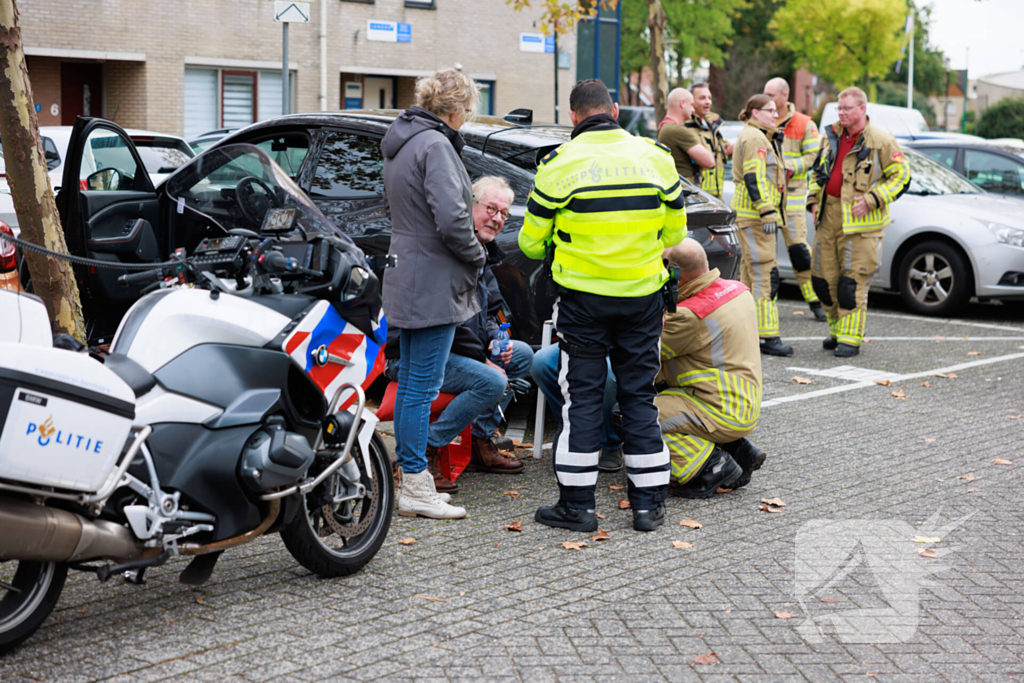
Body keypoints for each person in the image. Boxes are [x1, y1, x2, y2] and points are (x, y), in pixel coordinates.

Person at [519, 79, 686, 533]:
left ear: (573, 117)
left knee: (584, 401)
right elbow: (674, 236)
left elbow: (530, 243)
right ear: (614, 110)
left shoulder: (558, 165)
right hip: (643, 299)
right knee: (640, 398)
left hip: (584, 304)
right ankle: (649, 506)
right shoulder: (656, 157)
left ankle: (578, 507)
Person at [385, 176, 533, 495]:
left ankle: (480, 440)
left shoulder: (482, 253)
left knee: (522, 355)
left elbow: (490, 310)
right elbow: (447, 323)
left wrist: (496, 339)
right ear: (469, 206)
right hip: (413, 354)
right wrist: (483, 358)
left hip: (459, 349)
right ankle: (426, 450)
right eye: (491, 208)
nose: (497, 218)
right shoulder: (452, 250)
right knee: (491, 380)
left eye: (503, 213)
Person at [381, 68, 484, 520]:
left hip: (407, 268)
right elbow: (452, 218)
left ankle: (415, 480)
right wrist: (477, 254)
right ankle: (414, 485)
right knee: (421, 386)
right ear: (458, 109)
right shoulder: (437, 145)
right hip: (433, 279)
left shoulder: (403, 142)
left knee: (414, 386)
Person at [656, 239, 767, 497]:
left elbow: (641, 349)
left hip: (718, 408)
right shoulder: (737, 290)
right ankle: (738, 450)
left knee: (635, 416)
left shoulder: (689, 316)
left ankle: (711, 467)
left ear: (674, 274)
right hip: (740, 401)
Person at [807, 87, 911, 357]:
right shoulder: (830, 136)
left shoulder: (881, 141)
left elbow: (901, 177)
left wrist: (873, 199)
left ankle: (850, 339)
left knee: (851, 284)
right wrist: (814, 199)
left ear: (862, 109)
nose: (841, 113)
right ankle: (836, 331)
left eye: (846, 109)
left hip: (861, 224)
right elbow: (818, 172)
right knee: (821, 279)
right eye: (838, 109)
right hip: (828, 216)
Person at [731, 94, 793, 357]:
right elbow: (753, 176)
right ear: (755, 113)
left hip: (750, 216)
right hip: (756, 218)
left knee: (749, 276)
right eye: (770, 111)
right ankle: (766, 336)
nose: (775, 115)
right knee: (765, 275)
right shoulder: (756, 137)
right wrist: (766, 211)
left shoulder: (756, 135)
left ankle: (747, 333)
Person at [763, 77, 827, 322]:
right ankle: (767, 307)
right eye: (765, 93)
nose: (767, 97)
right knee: (765, 256)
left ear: (784, 95)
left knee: (799, 251)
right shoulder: (761, 120)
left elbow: (813, 156)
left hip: (792, 196)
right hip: (767, 197)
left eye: (771, 94)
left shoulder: (804, 123)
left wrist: (788, 166)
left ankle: (815, 301)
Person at [531, 346, 623, 472]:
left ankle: (611, 444)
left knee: (607, 378)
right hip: (580, 340)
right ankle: (571, 430)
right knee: (541, 363)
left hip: (618, 345)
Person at [658, 88, 716, 186]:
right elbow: (709, 162)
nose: (693, 110)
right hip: (686, 191)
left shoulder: (666, 127)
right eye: (691, 105)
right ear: (682, 103)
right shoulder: (678, 131)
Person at [689, 83, 734, 200]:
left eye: (709, 98)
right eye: (702, 98)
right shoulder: (686, 128)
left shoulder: (712, 127)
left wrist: (730, 149)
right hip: (697, 196)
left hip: (716, 197)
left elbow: (722, 152)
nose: (708, 102)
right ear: (690, 101)